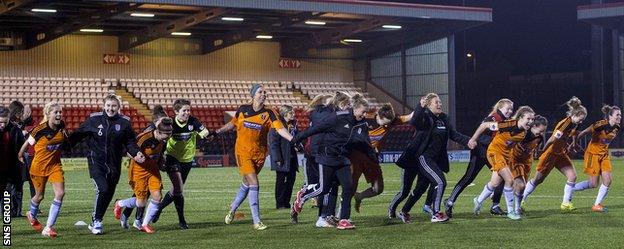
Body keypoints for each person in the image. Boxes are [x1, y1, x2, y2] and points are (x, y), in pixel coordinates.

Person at [291, 93, 376, 230]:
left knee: (348, 187)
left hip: (342, 158)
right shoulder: (337, 117)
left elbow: (363, 142)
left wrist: (371, 155)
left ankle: (343, 220)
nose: (364, 114)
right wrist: (296, 139)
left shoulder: (360, 122)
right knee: (323, 188)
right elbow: (315, 129)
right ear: (355, 108)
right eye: (363, 111)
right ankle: (303, 194)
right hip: (327, 156)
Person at [218, 84, 294, 230]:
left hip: (259, 155)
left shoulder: (270, 112)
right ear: (253, 95)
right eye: (260, 92)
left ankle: (232, 209)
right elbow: (231, 124)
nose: (263, 94)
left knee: (247, 183)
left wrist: (293, 139)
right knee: (254, 183)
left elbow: (280, 129)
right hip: (242, 152)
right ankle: (256, 221)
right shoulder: (242, 109)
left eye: (265, 92)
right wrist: (218, 131)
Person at [68, 94, 145, 235]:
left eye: (114, 106)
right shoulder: (93, 119)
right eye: (108, 105)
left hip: (115, 164)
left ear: (118, 107)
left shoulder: (125, 122)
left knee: (109, 193)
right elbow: (77, 135)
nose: (111, 108)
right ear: (104, 106)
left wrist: (136, 153)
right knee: (102, 188)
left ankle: (96, 220)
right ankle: (97, 220)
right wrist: (63, 146)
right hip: (96, 161)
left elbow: (130, 143)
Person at [394, 93, 475, 223]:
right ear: (429, 105)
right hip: (423, 158)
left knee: (420, 189)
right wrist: (420, 107)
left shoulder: (444, 119)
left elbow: (453, 135)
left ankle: (404, 212)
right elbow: (414, 121)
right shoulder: (425, 117)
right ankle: (436, 213)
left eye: (440, 102)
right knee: (440, 181)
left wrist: (468, 141)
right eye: (436, 102)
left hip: (434, 160)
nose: (440, 104)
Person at [445, 99, 514, 217]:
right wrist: (473, 140)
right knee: (468, 178)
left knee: (502, 176)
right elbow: (482, 128)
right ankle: (450, 201)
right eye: (508, 108)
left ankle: (495, 205)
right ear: (500, 108)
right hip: (480, 152)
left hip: (491, 153)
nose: (510, 111)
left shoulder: (504, 120)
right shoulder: (494, 118)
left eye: (511, 109)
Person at [151, 99, 211, 230]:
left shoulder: (193, 121)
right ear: (176, 111)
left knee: (176, 191)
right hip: (172, 157)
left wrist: (206, 135)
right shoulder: (170, 123)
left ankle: (159, 208)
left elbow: (204, 131)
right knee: (178, 188)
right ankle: (182, 220)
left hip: (187, 160)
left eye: (188, 110)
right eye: (184, 110)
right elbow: (158, 133)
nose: (187, 113)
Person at [470, 106, 536, 220]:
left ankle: (478, 200)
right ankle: (511, 212)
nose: (530, 122)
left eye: (532, 119)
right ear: (520, 117)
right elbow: (484, 125)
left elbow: (511, 144)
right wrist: (473, 139)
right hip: (494, 152)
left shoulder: (524, 132)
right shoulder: (509, 124)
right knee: (509, 180)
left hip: (505, 156)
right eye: (528, 119)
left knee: (495, 183)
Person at [522, 97, 587, 212]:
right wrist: (543, 150)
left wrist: (574, 144)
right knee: (538, 179)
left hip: (560, 153)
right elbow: (552, 139)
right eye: (580, 119)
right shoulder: (565, 123)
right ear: (574, 115)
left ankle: (566, 203)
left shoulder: (576, 123)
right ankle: (521, 199)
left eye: (583, 120)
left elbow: (575, 134)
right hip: (550, 153)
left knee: (572, 176)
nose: (581, 122)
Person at [114, 117, 173, 233]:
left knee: (157, 197)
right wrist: (136, 156)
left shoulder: (163, 140)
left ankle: (145, 224)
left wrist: (162, 165)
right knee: (141, 202)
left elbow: (160, 154)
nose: (169, 137)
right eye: (167, 135)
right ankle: (120, 203)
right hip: (139, 171)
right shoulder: (144, 138)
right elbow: (127, 150)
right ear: (159, 132)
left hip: (153, 171)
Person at [18, 102, 68, 238]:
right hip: (38, 168)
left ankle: (48, 227)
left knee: (60, 193)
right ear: (48, 114)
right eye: (55, 112)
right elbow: (28, 142)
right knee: (39, 196)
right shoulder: (39, 130)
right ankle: (31, 214)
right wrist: (20, 154)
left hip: (55, 166)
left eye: (60, 112)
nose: (59, 114)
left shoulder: (62, 125)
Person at [353, 104, 412, 213]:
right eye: (384, 123)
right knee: (350, 187)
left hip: (372, 158)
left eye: (388, 123)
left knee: (378, 189)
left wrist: (422, 105)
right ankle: (342, 215)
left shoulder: (392, 121)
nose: (386, 126)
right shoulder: (366, 117)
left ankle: (359, 197)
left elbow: (409, 116)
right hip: (357, 156)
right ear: (378, 116)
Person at [298, 93, 339, 228]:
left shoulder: (318, 113)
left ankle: (327, 215)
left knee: (329, 185)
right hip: (318, 153)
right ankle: (321, 215)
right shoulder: (324, 114)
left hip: (319, 151)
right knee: (324, 186)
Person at [571, 105, 621, 212]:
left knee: (608, 180)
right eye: (617, 115)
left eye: (620, 115)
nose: (619, 117)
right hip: (592, 155)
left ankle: (596, 205)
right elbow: (583, 132)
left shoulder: (617, 128)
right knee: (593, 184)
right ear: (610, 116)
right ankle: (570, 189)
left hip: (604, 156)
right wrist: (573, 144)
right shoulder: (600, 125)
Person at [509, 115, 548, 215]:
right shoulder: (522, 134)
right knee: (521, 185)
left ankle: (515, 205)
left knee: (522, 186)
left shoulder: (539, 137)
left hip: (526, 162)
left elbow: (533, 148)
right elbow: (509, 143)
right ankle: (516, 209)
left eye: (543, 131)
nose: (542, 133)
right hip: (515, 160)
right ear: (533, 126)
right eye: (540, 130)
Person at [269, 105, 299, 209]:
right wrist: (277, 158)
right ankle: (280, 203)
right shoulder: (277, 124)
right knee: (281, 181)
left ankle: (286, 202)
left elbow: (296, 138)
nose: (293, 115)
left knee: (291, 181)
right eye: (291, 113)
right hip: (282, 157)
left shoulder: (293, 125)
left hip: (291, 157)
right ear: (285, 113)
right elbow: (274, 143)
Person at [0, 106, 24, 198]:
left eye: (4, 122)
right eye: (0, 122)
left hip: (12, 168)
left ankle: (15, 212)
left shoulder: (15, 130)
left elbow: (22, 146)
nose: (2, 125)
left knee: (12, 194)